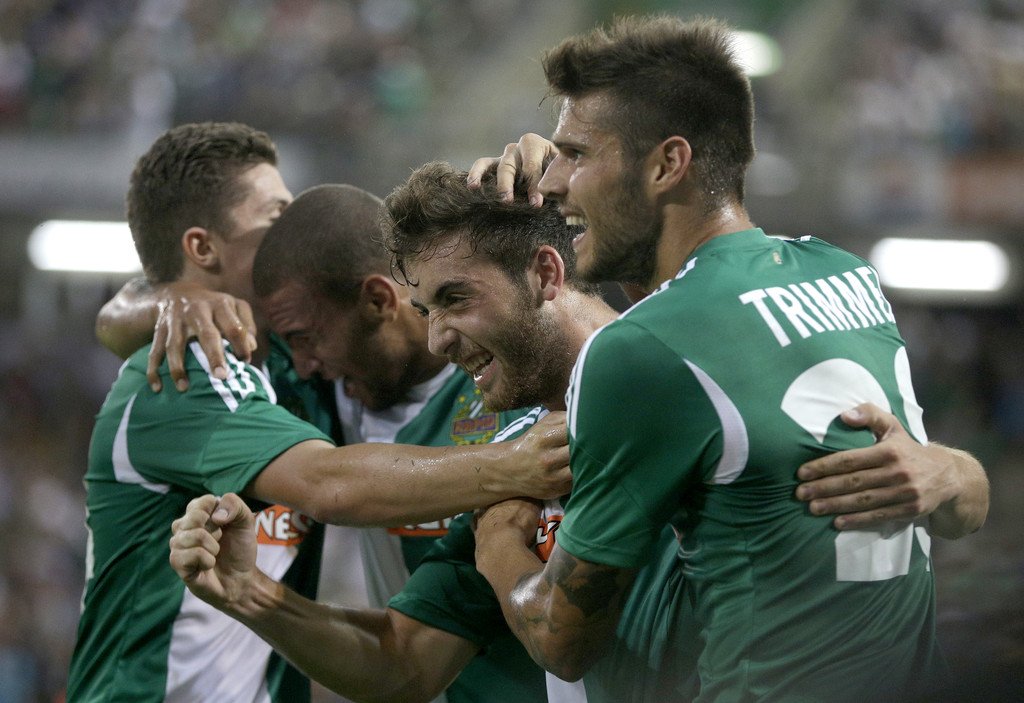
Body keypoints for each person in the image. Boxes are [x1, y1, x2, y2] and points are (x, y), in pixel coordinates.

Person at [168, 161, 988, 703]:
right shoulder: (503, 457)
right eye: (426, 308)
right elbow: (406, 662)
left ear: (546, 273)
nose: (438, 339)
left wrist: (953, 471)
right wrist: (253, 595)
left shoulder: (703, 368)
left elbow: (940, 497)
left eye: (455, 300)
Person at [466, 14, 990, 703]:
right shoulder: (845, 275)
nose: (555, 180)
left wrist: (494, 535)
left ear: (666, 164)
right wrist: (954, 467)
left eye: (577, 154)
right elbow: (964, 506)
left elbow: (561, 638)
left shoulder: (637, 352)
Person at [69, 123, 569, 703]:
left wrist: (560, 189)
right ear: (203, 249)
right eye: (275, 215)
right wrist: (518, 465)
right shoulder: (193, 371)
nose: (292, 229)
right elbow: (330, 486)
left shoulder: (315, 370)